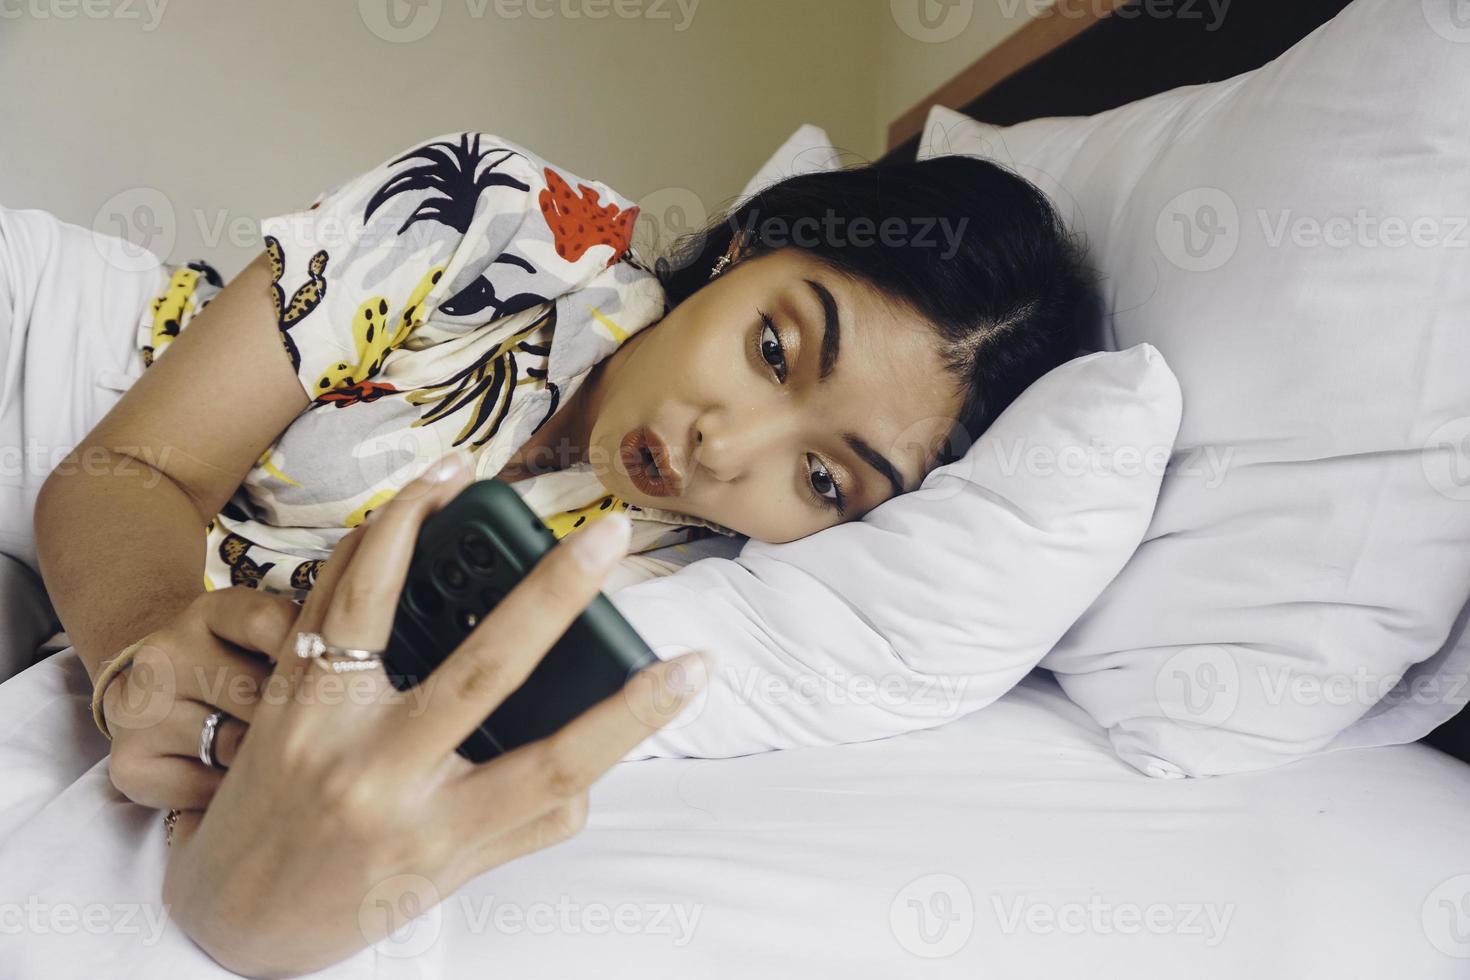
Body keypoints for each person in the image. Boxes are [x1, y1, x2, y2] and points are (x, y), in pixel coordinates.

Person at [18, 130, 1091, 817]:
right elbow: (124, 470)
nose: (729, 445)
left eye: (822, 478)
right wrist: (143, 663)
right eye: (774, 349)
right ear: (748, 247)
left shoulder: (678, 581)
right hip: (46, 360)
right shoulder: (501, 221)